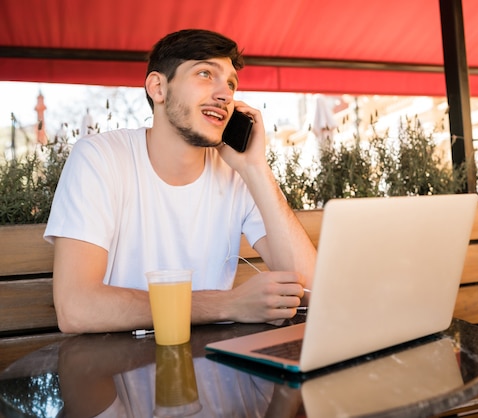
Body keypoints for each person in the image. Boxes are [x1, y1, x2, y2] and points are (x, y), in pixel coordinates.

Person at [44, 29, 317, 334]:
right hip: (117, 364)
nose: (225, 94)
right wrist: (227, 304)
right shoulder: (100, 157)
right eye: (205, 74)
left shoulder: (238, 173)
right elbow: (77, 308)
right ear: (158, 88)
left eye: (230, 84)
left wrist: (256, 168)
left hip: (214, 365)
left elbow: (311, 291)